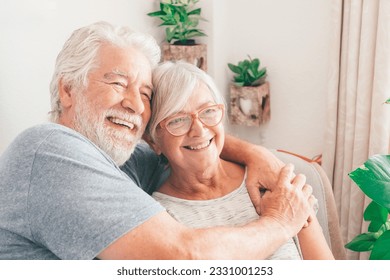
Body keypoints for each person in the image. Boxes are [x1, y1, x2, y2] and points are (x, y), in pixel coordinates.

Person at [0, 21, 313, 260]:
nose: (136, 105)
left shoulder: (119, 158)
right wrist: (281, 222)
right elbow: (183, 257)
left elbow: (181, 144)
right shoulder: (50, 150)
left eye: (145, 93)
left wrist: (255, 154)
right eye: (119, 84)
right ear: (68, 89)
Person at [146, 61, 334, 260]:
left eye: (208, 111)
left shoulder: (270, 178)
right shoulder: (160, 217)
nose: (199, 130)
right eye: (177, 120)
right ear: (153, 141)